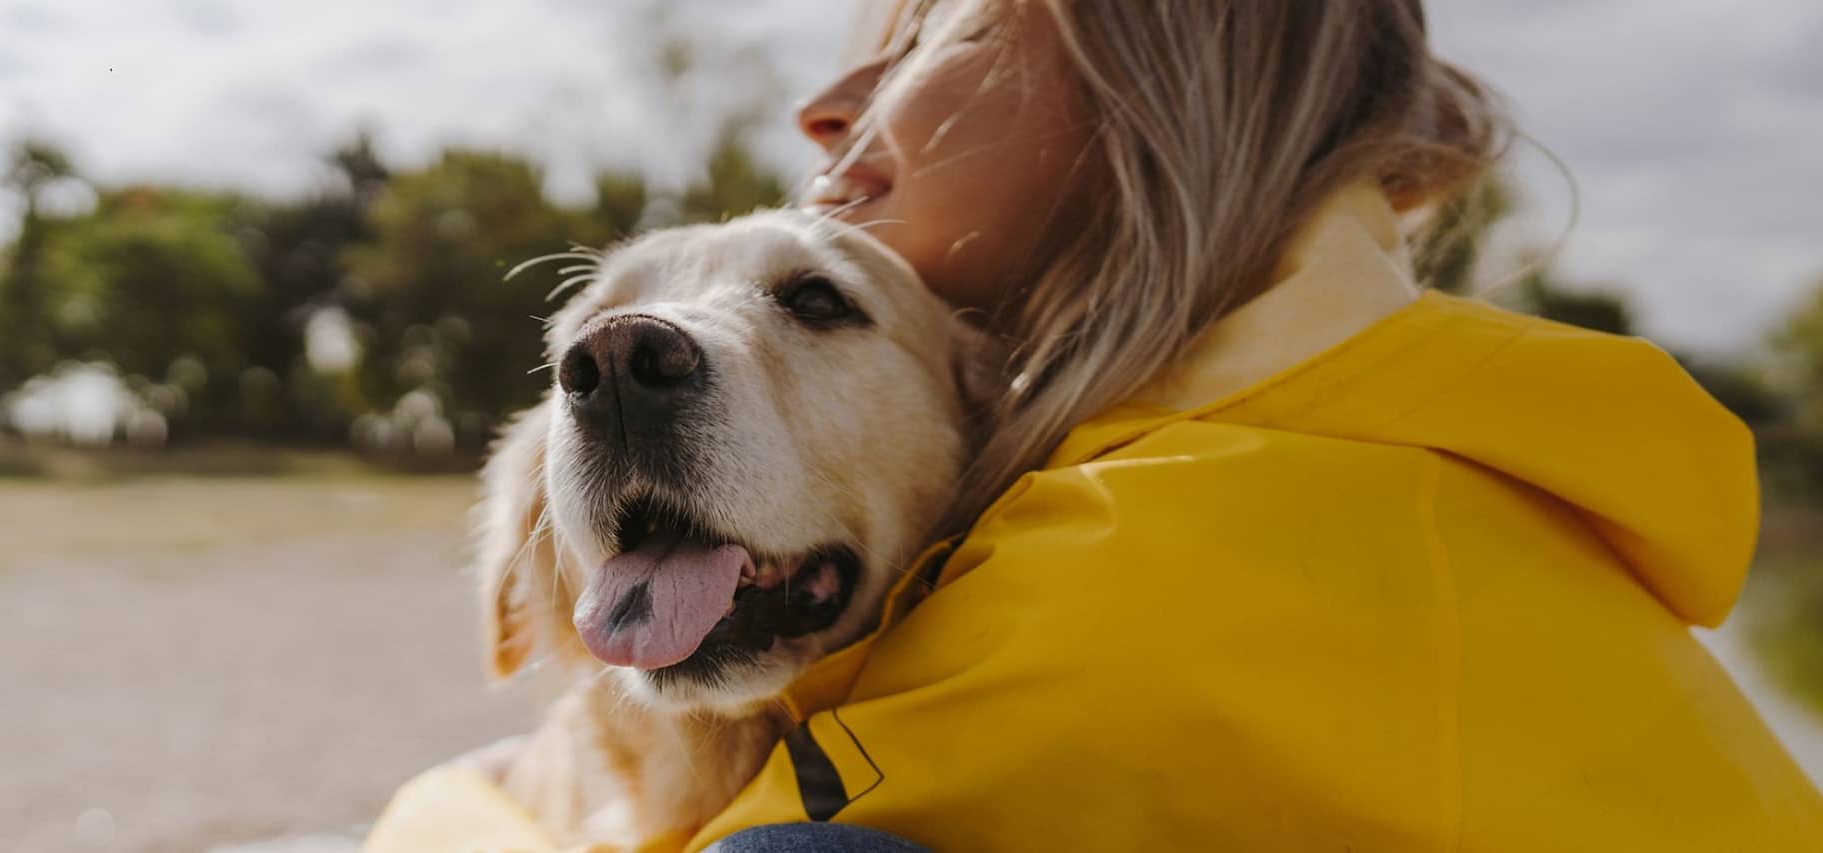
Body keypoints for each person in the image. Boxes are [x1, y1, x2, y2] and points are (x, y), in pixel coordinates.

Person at [695, 0, 1823, 850]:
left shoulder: (1165, 535)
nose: (824, 106)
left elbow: (748, 815)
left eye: (935, 31)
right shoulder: (1374, 455)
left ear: (1153, 82)